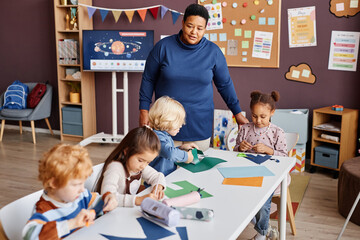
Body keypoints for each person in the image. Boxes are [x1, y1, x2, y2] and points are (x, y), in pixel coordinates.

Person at [139, 3, 248, 151]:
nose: (194, 32)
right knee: (163, 169)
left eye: (199, 28)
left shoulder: (213, 52)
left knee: (196, 169)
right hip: (165, 123)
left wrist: (237, 113)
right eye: (190, 26)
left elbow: (225, 85)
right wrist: (144, 110)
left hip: (199, 123)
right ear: (183, 23)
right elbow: (148, 79)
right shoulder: (163, 47)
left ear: (205, 28)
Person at [22, 144, 118, 240]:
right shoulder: (43, 211)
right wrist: (72, 223)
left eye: (82, 183)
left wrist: (108, 198)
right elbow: (29, 236)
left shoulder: (81, 196)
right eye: (76, 185)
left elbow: (100, 202)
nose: (82, 189)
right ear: (54, 183)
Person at [234, 90, 287, 240]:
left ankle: (261, 234)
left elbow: (284, 156)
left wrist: (269, 150)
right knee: (234, 197)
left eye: (263, 116)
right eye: (254, 115)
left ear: (272, 112)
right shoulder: (245, 129)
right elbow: (235, 153)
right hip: (247, 173)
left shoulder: (277, 132)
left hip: (270, 176)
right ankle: (266, 228)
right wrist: (240, 148)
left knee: (263, 203)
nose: (258, 120)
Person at [96, 126, 166, 207]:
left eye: (148, 162)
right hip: (110, 213)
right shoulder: (115, 168)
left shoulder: (139, 166)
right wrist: (137, 200)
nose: (143, 166)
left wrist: (158, 188)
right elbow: (107, 195)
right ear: (127, 151)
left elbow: (157, 176)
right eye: (140, 160)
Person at [148, 96, 198, 176]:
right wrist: (186, 157)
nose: (181, 125)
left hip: (166, 178)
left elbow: (164, 152)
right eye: (178, 122)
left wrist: (181, 148)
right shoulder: (157, 137)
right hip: (157, 182)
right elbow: (169, 153)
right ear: (166, 120)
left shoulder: (164, 135)